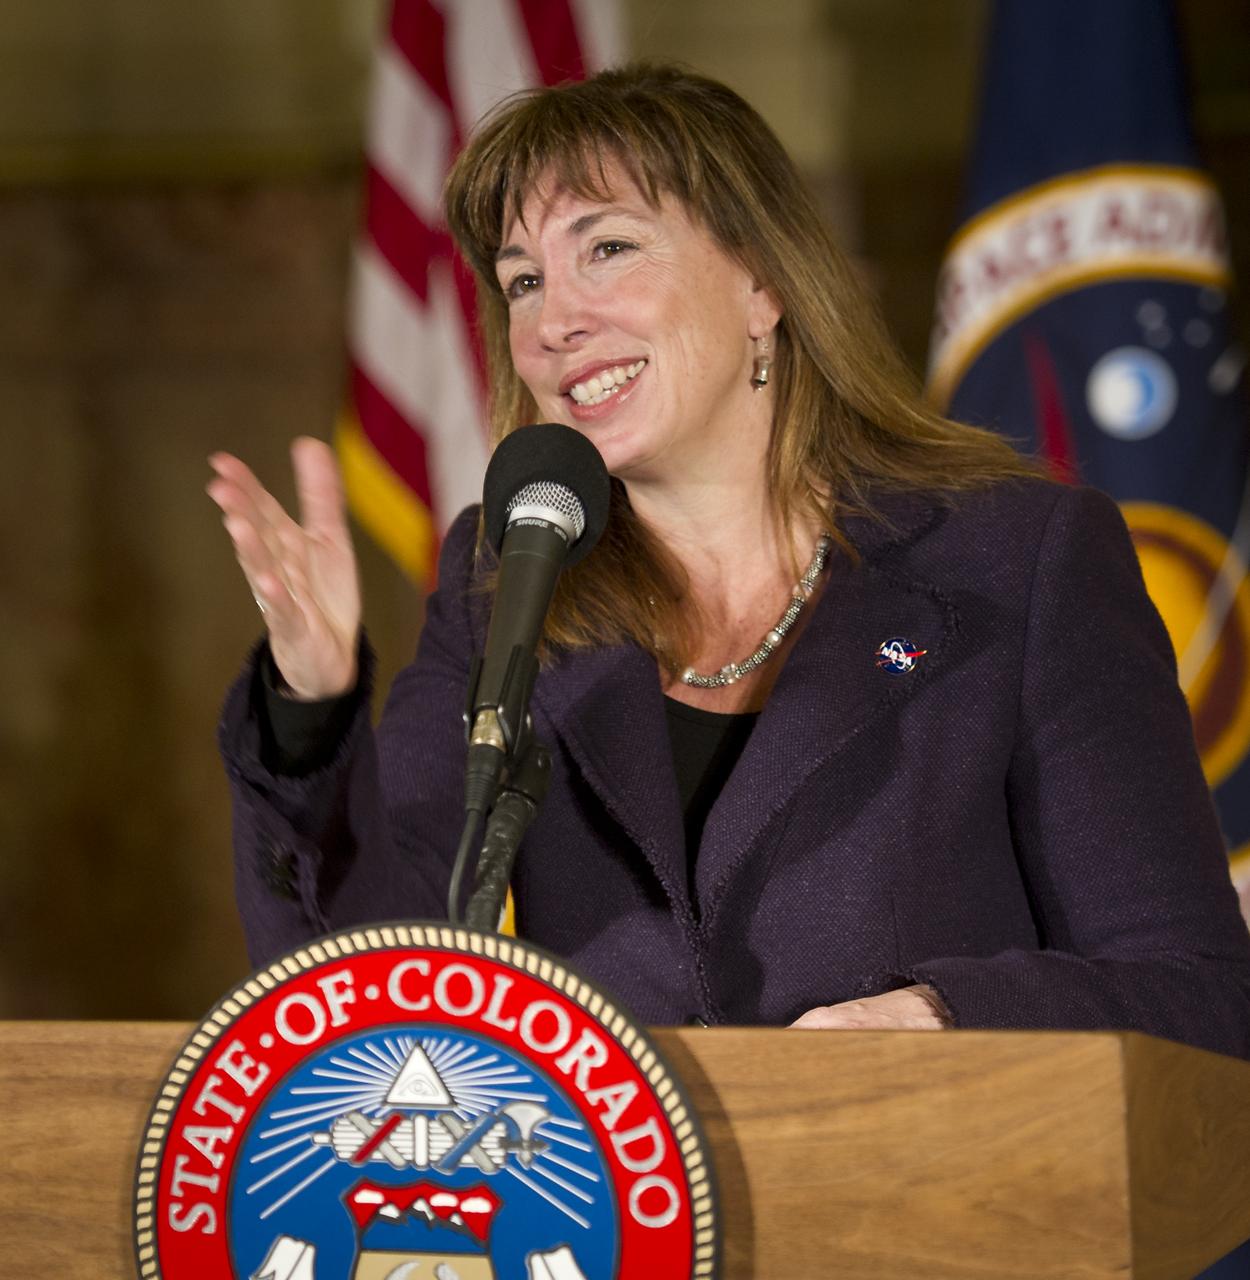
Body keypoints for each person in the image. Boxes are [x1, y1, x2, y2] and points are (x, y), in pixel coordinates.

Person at [208, 64, 1250, 1056]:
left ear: (762, 283)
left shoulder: (1016, 563)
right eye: (521, 282)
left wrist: (944, 1017)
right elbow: (357, 982)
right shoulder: (506, 587)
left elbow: (1196, 989)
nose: (553, 321)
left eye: (606, 249)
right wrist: (312, 710)